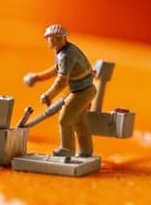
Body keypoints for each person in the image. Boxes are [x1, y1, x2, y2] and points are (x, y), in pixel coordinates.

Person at [24, 24, 97, 157]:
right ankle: (86, 151)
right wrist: (37, 77)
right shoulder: (63, 51)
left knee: (65, 119)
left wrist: (48, 95)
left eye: (51, 38)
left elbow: (61, 81)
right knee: (78, 120)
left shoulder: (66, 55)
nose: (48, 41)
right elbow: (57, 69)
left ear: (60, 39)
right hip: (84, 89)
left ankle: (67, 149)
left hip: (81, 92)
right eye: (48, 38)